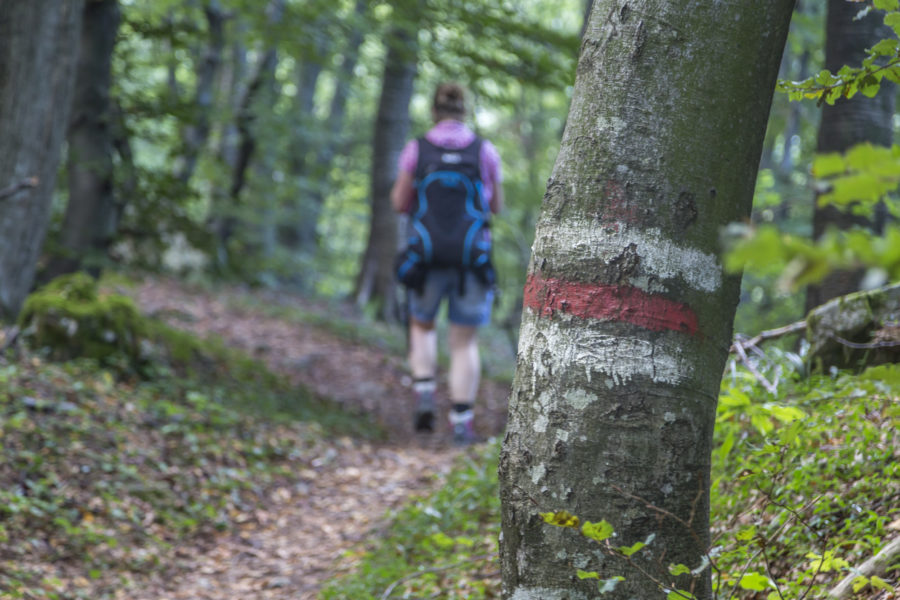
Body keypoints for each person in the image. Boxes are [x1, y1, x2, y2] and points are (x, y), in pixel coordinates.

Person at [390, 82, 503, 445]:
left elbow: (399, 202)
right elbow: (496, 206)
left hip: (425, 258)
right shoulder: (484, 151)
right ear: (464, 110)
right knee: (463, 342)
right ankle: (461, 422)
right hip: (472, 260)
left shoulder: (417, 150)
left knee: (422, 327)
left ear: (434, 111)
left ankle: (424, 390)